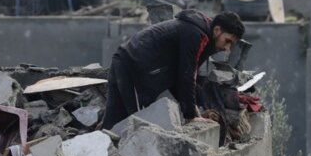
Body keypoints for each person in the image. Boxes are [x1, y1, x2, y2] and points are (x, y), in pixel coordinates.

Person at [102, 10, 245, 128]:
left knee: (113, 120)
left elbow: (182, 77)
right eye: (227, 41)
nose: (227, 48)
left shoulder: (200, 32)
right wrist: (191, 115)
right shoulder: (196, 34)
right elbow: (186, 75)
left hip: (123, 59)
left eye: (231, 45)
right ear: (217, 30)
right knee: (136, 123)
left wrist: (193, 110)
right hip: (133, 67)